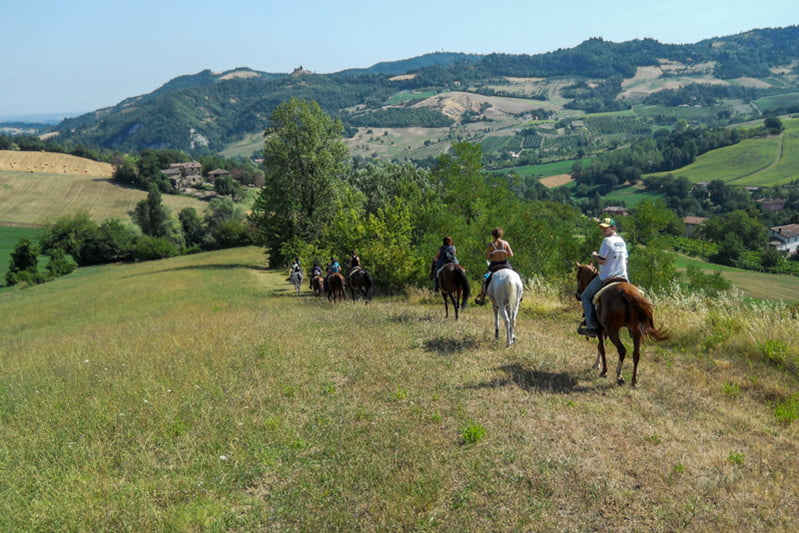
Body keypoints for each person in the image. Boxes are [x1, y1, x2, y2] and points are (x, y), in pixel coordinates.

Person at [578, 217, 629, 338]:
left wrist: (594, 255)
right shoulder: (621, 241)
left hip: (606, 277)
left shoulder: (607, 241)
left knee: (585, 297)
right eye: (602, 228)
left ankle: (591, 327)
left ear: (613, 228)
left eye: (606, 228)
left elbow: (602, 261)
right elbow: (626, 260)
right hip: (623, 276)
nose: (603, 230)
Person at [474, 228, 513, 305]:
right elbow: (511, 254)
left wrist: (493, 255)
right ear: (501, 235)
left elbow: (488, 257)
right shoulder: (506, 243)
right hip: (505, 264)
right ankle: (520, 294)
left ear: (493, 235)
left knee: (485, 278)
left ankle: (482, 297)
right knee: (515, 275)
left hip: (494, 265)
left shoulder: (491, 245)